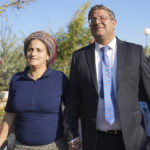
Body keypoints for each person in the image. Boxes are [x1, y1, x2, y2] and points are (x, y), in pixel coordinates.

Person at [63, 4, 150, 150]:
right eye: (93, 19)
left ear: (113, 23)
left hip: (132, 139)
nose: (97, 21)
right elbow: (73, 100)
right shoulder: (79, 57)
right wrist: (71, 133)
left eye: (102, 18)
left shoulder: (135, 52)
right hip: (96, 139)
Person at [0, 31, 68, 150]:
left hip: (54, 146)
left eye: (39, 50)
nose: (33, 53)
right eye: (30, 49)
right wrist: (1, 141)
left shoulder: (60, 78)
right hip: (20, 146)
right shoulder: (16, 79)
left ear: (48, 55)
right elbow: (10, 114)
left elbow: (71, 111)